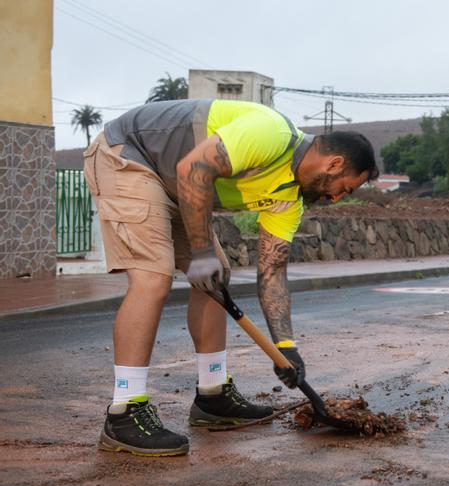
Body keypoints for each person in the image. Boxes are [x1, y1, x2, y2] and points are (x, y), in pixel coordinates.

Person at [83, 99, 378, 456]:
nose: (336, 198)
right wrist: (202, 252)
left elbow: (272, 271)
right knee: (153, 277)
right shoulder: (271, 134)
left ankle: (212, 395)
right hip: (130, 155)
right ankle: (125, 411)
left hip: (176, 182)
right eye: (345, 188)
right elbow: (194, 168)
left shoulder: (289, 198)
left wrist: (286, 348)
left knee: (214, 282)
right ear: (335, 164)